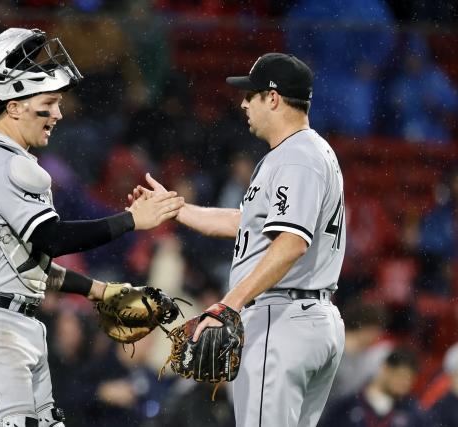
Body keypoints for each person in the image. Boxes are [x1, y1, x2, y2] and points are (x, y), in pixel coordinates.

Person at [0, 28, 183, 427]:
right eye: (49, 103)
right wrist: (133, 221)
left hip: (14, 321)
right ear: (14, 106)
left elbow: (28, 263)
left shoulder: (9, 162)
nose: (58, 114)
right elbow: (53, 238)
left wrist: (98, 289)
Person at [132, 53, 346, 427]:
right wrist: (177, 209)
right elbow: (246, 223)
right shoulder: (305, 153)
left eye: (252, 94)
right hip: (307, 316)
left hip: (281, 317)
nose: (244, 102)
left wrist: (227, 306)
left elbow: (292, 243)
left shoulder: (296, 158)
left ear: (274, 99)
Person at [318, 347, 426, 427]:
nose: (404, 383)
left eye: (409, 380)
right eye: (400, 376)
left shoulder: (411, 412)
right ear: (385, 368)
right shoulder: (347, 404)